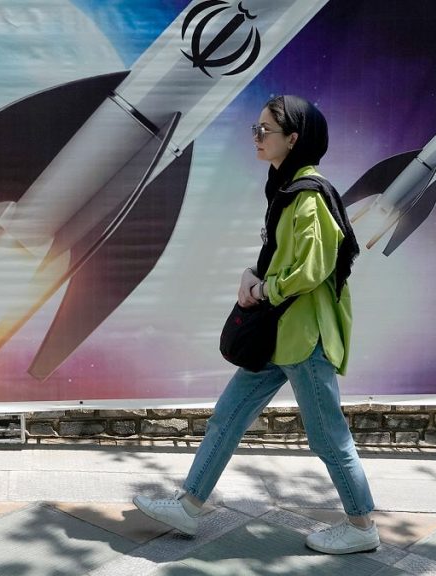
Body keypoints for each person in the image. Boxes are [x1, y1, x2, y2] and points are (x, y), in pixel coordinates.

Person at [133, 95, 379, 555]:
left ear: (294, 138)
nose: (257, 137)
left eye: (266, 130)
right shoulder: (286, 189)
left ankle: (362, 525)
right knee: (227, 417)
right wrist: (254, 273)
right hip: (277, 336)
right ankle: (189, 505)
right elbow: (284, 256)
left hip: (303, 338)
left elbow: (313, 269)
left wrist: (265, 290)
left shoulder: (308, 197)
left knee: (328, 436)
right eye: (256, 129)